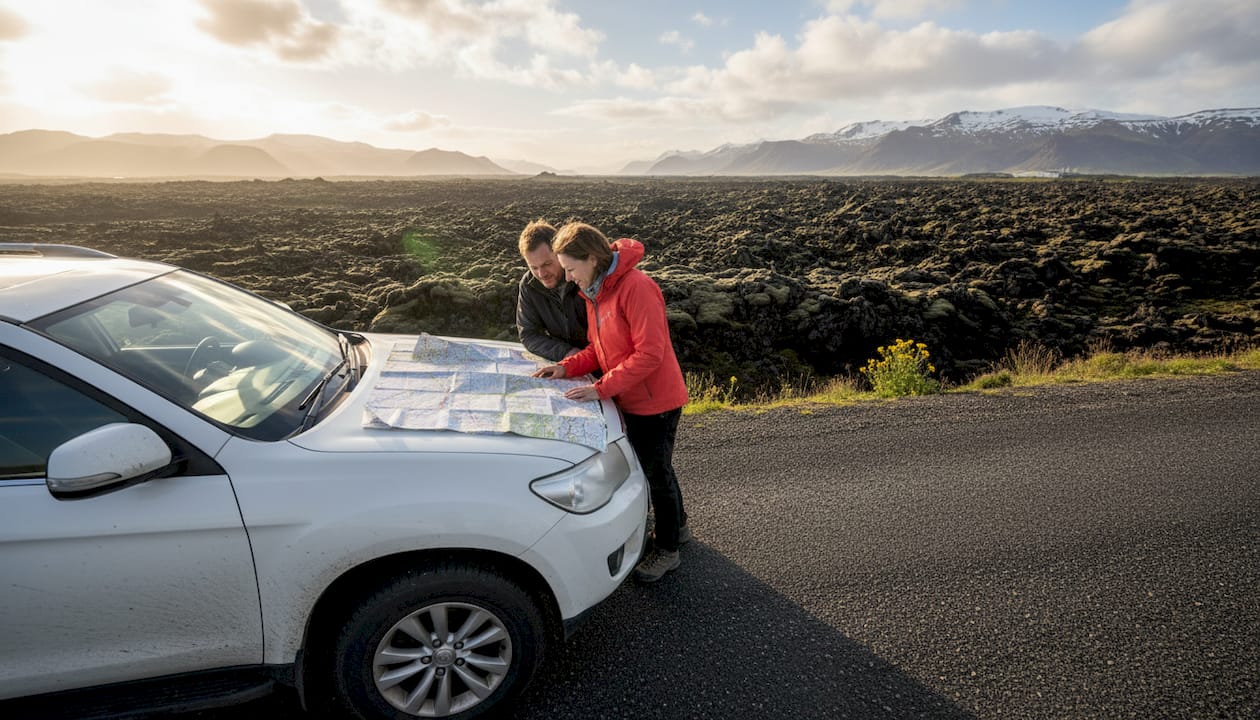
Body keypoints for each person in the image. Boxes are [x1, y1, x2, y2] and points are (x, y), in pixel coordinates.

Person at [532, 222, 690, 583]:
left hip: (656, 401)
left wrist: (600, 389)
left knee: (656, 473)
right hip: (632, 397)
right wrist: (565, 367)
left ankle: (667, 550)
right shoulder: (597, 293)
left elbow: (650, 353)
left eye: (571, 269)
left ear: (591, 258)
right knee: (658, 466)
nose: (568, 278)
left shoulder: (637, 288)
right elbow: (599, 350)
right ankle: (677, 527)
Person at [515, 219, 587, 361]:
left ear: (560, 252)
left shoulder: (584, 275)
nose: (541, 274)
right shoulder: (529, 285)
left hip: (606, 364)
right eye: (534, 267)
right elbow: (528, 334)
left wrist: (587, 358)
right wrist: (566, 353)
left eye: (547, 264)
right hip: (571, 365)